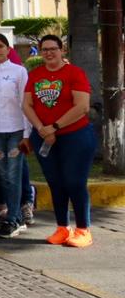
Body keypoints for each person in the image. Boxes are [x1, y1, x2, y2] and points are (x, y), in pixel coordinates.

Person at [23, 35, 93, 247]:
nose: (49, 53)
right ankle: (62, 227)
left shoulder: (74, 73)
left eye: (53, 48)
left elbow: (82, 106)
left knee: (74, 182)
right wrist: (41, 129)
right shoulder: (35, 75)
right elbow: (27, 105)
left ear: (62, 50)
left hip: (75, 135)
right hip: (44, 136)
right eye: (44, 49)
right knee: (56, 182)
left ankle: (83, 230)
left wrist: (54, 127)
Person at [0, 34, 31, 239]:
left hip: (15, 129)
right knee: (2, 176)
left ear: (8, 48)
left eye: (0, 46)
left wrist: (27, 133)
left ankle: (13, 218)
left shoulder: (19, 71)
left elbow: (25, 103)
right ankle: (16, 217)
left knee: (13, 175)